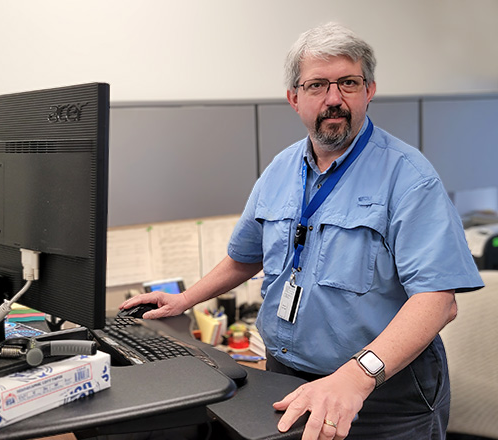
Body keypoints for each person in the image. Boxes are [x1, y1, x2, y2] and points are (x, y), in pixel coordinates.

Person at [120, 22, 483, 439]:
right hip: (286, 380)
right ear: (294, 98)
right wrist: (184, 299)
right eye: (317, 86)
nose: (334, 99)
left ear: (370, 90)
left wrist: (357, 376)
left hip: (383, 392)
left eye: (348, 82)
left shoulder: (409, 177)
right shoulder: (280, 169)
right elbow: (246, 256)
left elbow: (438, 301)